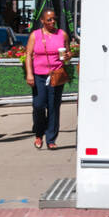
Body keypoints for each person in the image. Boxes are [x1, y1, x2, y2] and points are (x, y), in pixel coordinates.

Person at [24, 8, 68, 150]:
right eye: (49, 19)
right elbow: (28, 55)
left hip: (56, 75)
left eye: (54, 19)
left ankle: (51, 139)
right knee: (38, 106)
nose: (52, 21)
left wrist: (68, 56)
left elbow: (68, 53)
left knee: (54, 107)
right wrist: (29, 74)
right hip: (39, 76)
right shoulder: (35, 35)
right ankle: (38, 133)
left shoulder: (62, 34)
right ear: (42, 20)